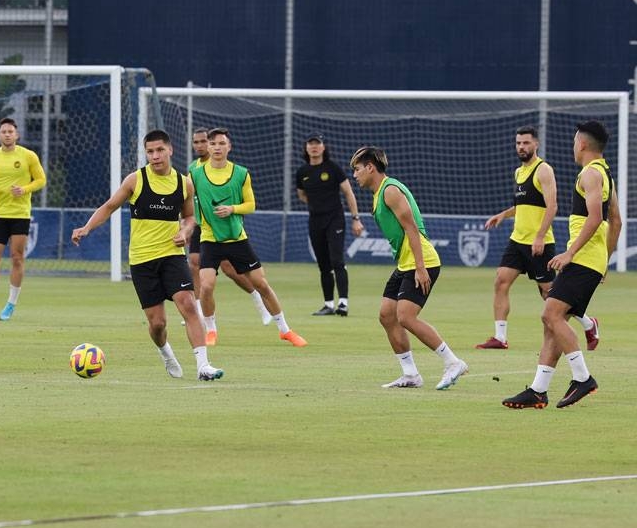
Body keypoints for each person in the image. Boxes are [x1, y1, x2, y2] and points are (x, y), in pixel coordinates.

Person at [72, 129, 223, 381]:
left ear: (170, 150)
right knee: (158, 324)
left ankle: (203, 366)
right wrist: (86, 227)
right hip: (142, 261)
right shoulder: (135, 180)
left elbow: (189, 217)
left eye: (159, 150)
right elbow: (109, 206)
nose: (155, 156)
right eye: (150, 152)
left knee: (188, 303)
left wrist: (185, 232)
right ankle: (165, 353)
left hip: (172, 256)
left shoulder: (183, 182)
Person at [503, 121, 621, 410]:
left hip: (582, 260)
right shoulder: (605, 174)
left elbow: (595, 219)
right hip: (591, 261)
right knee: (553, 325)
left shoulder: (590, 174)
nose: (572, 146)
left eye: (573, 141)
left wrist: (570, 253)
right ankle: (538, 390)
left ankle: (583, 378)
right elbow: (615, 221)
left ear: (581, 143)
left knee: (550, 315)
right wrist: (605, 260)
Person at [349, 146, 468, 390]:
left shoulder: (390, 190)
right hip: (406, 263)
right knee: (387, 315)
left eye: (358, 169)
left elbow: (411, 228)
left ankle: (453, 362)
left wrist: (421, 268)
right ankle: (410, 374)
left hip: (421, 261)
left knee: (405, 317)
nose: (355, 175)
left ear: (371, 167)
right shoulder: (379, 192)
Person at [480, 126, 601, 350]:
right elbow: (523, 205)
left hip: (539, 243)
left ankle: (588, 322)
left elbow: (552, 206)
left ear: (536, 144)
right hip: (518, 240)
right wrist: (502, 215)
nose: (521, 147)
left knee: (550, 294)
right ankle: (500, 337)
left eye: (526, 143)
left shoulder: (543, 170)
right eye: (518, 143)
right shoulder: (518, 172)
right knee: (501, 281)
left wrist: (539, 236)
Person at [190, 128, 307, 348]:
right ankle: (211, 329)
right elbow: (185, 197)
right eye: (212, 143)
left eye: (221, 144)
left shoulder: (241, 173)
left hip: (237, 239)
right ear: (208, 146)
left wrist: (232, 209)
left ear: (229, 147)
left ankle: (285, 330)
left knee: (261, 284)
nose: (216, 147)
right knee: (206, 286)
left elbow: (251, 205)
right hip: (210, 239)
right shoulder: (195, 174)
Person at [187, 127, 272, 326]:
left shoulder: (229, 169)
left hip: (223, 223)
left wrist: (232, 209)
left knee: (230, 270)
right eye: (197, 142)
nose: (200, 145)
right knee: (194, 262)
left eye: (203, 141)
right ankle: (200, 310)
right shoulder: (193, 168)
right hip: (203, 224)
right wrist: (187, 219)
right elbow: (189, 196)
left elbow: (246, 201)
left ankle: (258, 300)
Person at [0, 117, 47, 321]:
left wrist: (24, 189)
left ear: (16, 135)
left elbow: (41, 179)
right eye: (4, 131)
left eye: (10, 131)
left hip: (20, 214)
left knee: (17, 258)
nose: (7, 134)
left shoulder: (28, 156)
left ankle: (10, 304)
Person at [294, 133, 364, 316]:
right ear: (306, 148)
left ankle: (343, 303)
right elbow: (302, 195)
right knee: (323, 264)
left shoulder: (333, 168)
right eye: (310, 144)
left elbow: (349, 193)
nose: (314, 147)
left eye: (317, 143)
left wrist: (355, 218)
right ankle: (328, 304)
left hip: (335, 219)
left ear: (323, 147)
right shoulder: (302, 172)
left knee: (337, 260)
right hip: (315, 221)